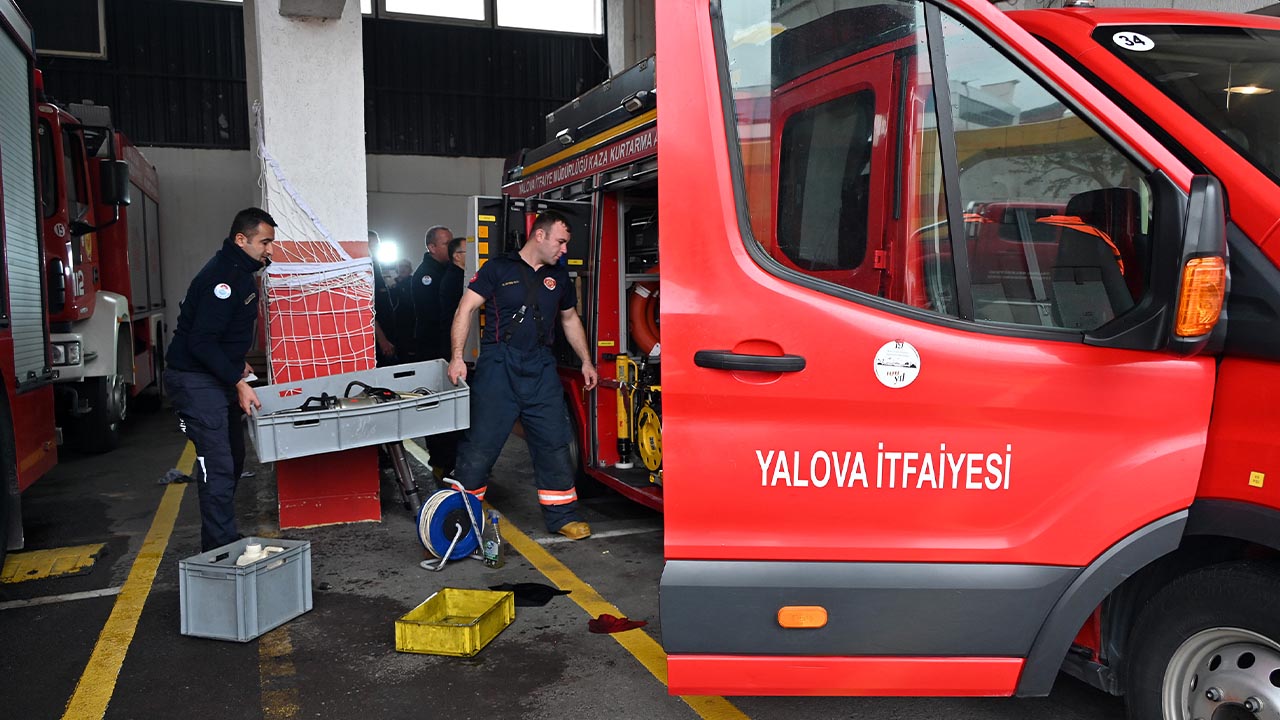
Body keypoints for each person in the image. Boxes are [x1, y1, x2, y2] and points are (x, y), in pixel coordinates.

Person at [447, 210, 598, 540]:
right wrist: (457, 357)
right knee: (481, 446)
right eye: (560, 242)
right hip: (499, 366)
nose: (564, 249)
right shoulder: (498, 269)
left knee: (554, 441)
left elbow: (569, 319)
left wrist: (586, 360)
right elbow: (466, 308)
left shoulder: (559, 277)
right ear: (540, 236)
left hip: (541, 367)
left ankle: (562, 516)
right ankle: (459, 519)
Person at [165, 207, 276, 551]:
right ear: (241, 240)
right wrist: (238, 381)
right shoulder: (223, 279)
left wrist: (236, 365)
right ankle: (219, 550)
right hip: (196, 380)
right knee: (218, 466)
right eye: (265, 242)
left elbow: (220, 336)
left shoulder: (241, 272)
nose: (270, 250)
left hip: (218, 376)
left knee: (233, 459)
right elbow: (200, 341)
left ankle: (223, 539)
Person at [410, 225, 453, 363]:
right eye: (446, 244)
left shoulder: (448, 270)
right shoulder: (426, 275)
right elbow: (432, 312)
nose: (452, 248)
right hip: (433, 341)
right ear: (432, 248)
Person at [369, 230, 396, 366]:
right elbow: (368, 309)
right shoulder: (365, 271)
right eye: (372, 245)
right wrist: (382, 339)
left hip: (389, 330)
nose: (376, 249)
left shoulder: (376, 267)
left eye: (377, 245)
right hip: (377, 338)